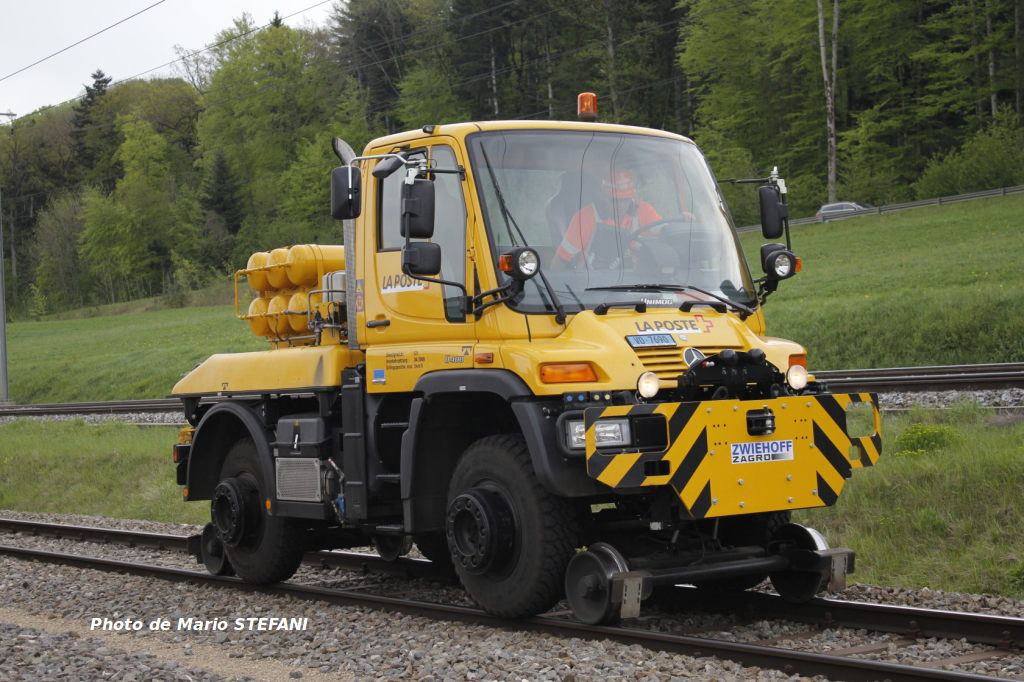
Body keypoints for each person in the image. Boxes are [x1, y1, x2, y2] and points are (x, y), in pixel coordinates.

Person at [552, 170, 661, 268]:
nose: (621, 205)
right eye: (614, 200)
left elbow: (665, 232)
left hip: (635, 280)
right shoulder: (584, 218)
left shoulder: (644, 211)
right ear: (603, 196)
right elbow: (562, 259)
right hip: (590, 279)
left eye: (625, 200)